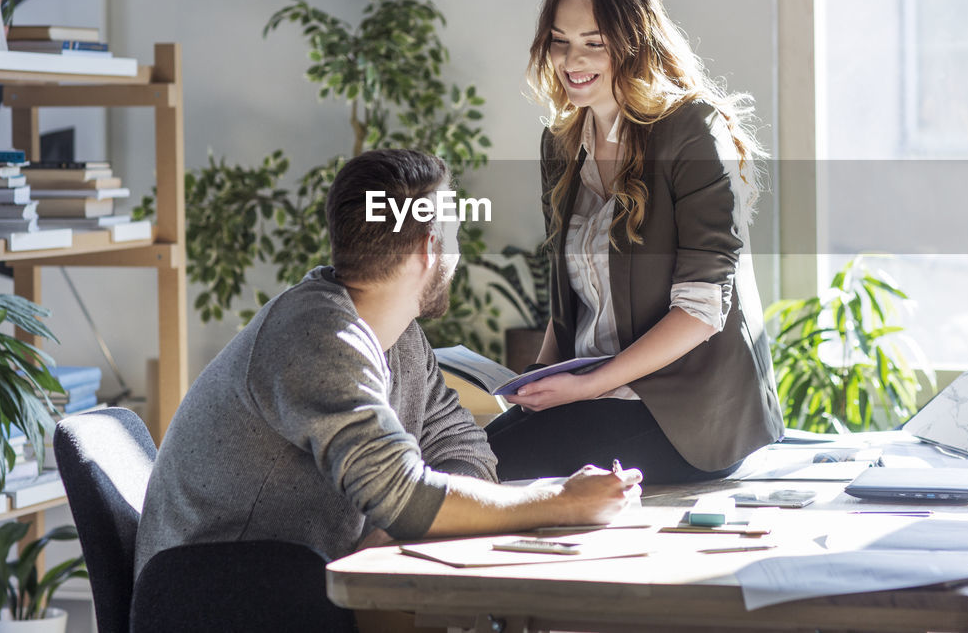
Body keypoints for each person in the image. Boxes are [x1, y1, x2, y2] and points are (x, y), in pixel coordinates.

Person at [134, 149, 641, 588]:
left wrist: (407, 519)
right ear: (429, 249)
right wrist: (560, 501)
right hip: (225, 601)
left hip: (298, 586)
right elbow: (402, 493)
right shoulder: (318, 337)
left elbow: (465, 451)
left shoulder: (400, 339)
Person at [485, 0, 785, 485]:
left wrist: (586, 387)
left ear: (633, 42)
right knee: (464, 454)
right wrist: (537, 384)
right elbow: (568, 309)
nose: (571, 59)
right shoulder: (561, 143)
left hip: (688, 417)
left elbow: (701, 311)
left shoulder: (692, 131)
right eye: (559, 40)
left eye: (592, 42)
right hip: (592, 395)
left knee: (484, 470)